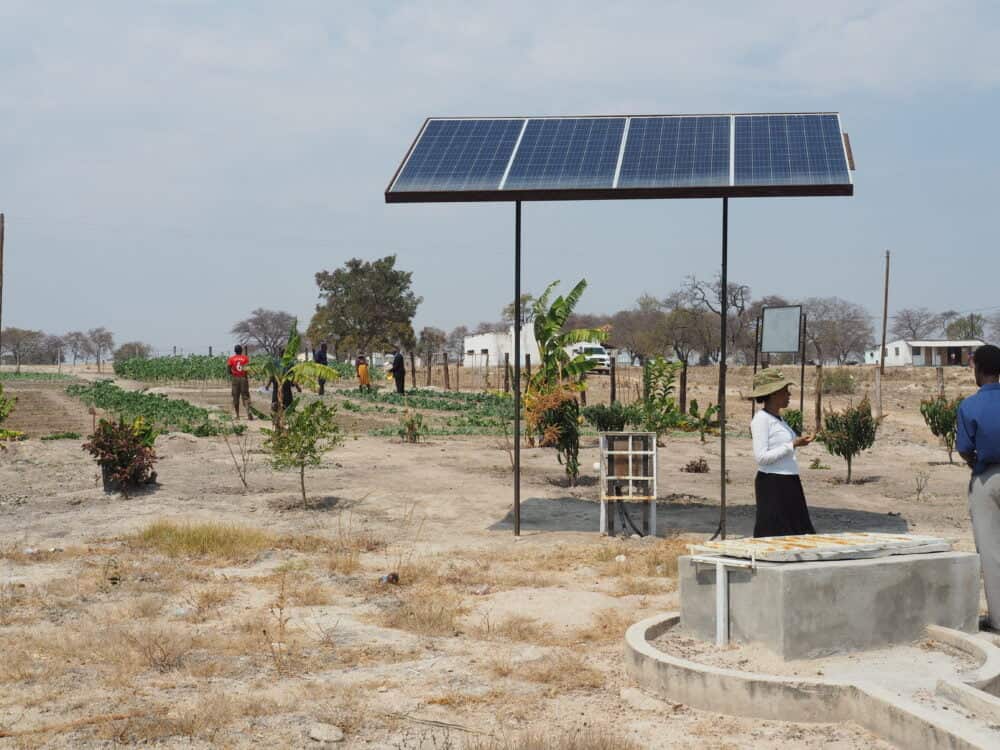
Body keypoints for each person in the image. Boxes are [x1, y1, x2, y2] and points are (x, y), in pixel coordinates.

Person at [957, 343, 1000, 632]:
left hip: (986, 478)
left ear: (979, 369)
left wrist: (976, 463)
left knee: (991, 551)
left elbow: (964, 448)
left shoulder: (970, 405)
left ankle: (998, 619)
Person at [748, 368, 815, 537]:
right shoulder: (761, 420)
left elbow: (785, 446)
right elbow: (761, 457)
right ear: (773, 394)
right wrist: (792, 445)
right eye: (785, 391)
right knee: (773, 533)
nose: (789, 395)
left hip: (789, 480)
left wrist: (798, 443)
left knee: (797, 532)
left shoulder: (779, 419)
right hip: (773, 483)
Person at [269, 347, 301, 415]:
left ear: (280, 354)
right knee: (287, 401)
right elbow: (292, 375)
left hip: (276, 383)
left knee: (276, 400)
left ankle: (277, 414)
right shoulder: (290, 363)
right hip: (285, 383)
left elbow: (271, 375)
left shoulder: (275, 362)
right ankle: (284, 416)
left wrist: (268, 385)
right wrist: (297, 386)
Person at [227, 344, 252, 420]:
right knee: (245, 396)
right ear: (241, 351)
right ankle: (248, 413)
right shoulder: (245, 358)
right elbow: (247, 369)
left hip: (235, 379)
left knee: (235, 396)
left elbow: (228, 369)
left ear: (235, 351)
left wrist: (233, 373)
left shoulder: (231, 359)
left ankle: (237, 415)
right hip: (243, 378)